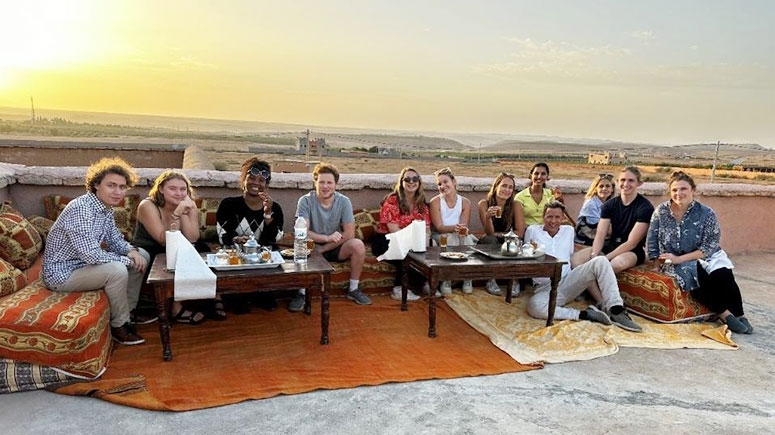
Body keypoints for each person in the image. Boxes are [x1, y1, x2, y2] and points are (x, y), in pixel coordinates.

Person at [42, 157, 151, 346]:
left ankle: (128, 312)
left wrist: (131, 251)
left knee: (142, 255)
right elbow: (91, 254)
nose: (118, 192)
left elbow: (114, 239)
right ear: (96, 185)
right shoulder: (81, 209)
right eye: (111, 185)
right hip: (63, 274)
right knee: (117, 270)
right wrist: (128, 260)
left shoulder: (105, 208)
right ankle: (119, 326)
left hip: (83, 266)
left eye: (122, 187)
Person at [646, 171, 753, 334]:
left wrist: (681, 258)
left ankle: (739, 314)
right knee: (693, 273)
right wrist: (655, 263)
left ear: (693, 190)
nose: (678, 193)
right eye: (674, 190)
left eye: (683, 189)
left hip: (703, 255)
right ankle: (724, 314)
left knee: (723, 273)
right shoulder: (661, 211)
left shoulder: (706, 213)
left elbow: (709, 245)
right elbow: (652, 238)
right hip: (671, 258)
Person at [524, 202, 642, 332]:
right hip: (544, 287)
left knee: (601, 261)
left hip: (568, 281)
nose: (553, 221)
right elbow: (525, 253)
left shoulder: (568, 231)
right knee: (534, 307)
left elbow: (569, 254)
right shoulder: (532, 230)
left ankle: (616, 309)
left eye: (557, 217)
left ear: (563, 218)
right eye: (549, 217)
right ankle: (585, 314)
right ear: (543, 217)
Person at [134, 170, 219, 324]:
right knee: (175, 256)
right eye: (172, 189)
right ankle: (176, 308)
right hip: (151, 248)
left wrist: (184, 212)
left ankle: (211, 296)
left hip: (176, 246)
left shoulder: (189, 205)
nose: (178, 193)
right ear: (161, 189)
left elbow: (192, 237)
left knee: (201, 250)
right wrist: (177, 214)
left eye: (182, 189)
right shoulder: (147, 205)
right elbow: (164, 240)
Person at [295, 162, 371, 308]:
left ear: (335, 184)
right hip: (312, 245)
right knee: (299, 246)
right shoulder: (305, 201)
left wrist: (325, 248)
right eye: (321, 182)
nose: (325, 186)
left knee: (358, 245)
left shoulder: (344, 202)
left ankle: (353, 289)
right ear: (315, 182)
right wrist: (325, 239)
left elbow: (349, 233)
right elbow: (303, 231)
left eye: (329, 182)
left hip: (336, 246)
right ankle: (301, 293)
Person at [216, 158, 285, 312]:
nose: (256, 183)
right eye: (252, 178)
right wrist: (237, 240)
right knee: (239, 308)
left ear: (267, 184)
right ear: (243, 180)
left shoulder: (275, 208)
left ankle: (259, 292)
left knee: (269, 304)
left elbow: (274, 239)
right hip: (237, 259)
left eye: (261, 180)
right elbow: (222, 236)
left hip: (261, 262)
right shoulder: (229, 204)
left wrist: (268, 215)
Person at [572, 166, 654, 274]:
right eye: (623, 180)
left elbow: (631, 243)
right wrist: (594, 255)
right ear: (618, 181)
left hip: (632, 251)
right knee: (575, 261)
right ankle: (593, 286)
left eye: (631, 180)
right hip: (610, 245)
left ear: (639, 183)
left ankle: (594, 281)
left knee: (616, 264)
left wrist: (605, 258)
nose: (626, 184)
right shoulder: (609, 205)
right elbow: (600, 235)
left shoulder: (645, 208)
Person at [371, 167, 431, 301]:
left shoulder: (422, 205)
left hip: (413, 240)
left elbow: (427, 229)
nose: (411, 182)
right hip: (387, 240)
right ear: (401, 182)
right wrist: (413, 243)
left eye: (415, 179)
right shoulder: (392, 201)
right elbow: (394, 230)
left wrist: (426, 241)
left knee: (429, 249)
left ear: (419, 182)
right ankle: (399, 288)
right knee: (405, 252)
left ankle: (425, 283)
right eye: (407, 179)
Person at [477, 172, 526, 296]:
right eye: (504, 186)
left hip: (509, 239)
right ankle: (491, 279)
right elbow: (490, 233)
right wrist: (488, 218)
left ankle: (514, 280)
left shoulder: (516, 205)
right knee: (490, 240)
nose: (507, 190)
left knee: (515, 242)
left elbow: (520, 232)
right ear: (496, 187)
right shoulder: (484, 204)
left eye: (510, 187)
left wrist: (500, 235)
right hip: (491, 240)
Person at [429, 167, 475, 295]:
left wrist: (462, 230)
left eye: (445, 182)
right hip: (440, 235)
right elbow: (439, 227)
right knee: (451, 239)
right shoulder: (435, 202)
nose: (443, 186)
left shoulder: (465, 202)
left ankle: (467, 278)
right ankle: (446, 279)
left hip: (457, 234)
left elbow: (463, 225)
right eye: (439, 184)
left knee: (468, 240)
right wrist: (455, 228)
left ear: (454, 182)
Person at [574, 173, 615, 246]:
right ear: (595, 189)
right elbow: (602, 229)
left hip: (603, 238)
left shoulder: (611, 203)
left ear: (612, 189)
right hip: (587, 240)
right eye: (601, 186)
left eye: (608, 186)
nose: (604, 189)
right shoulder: (590, 204)